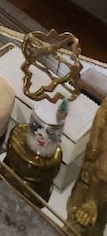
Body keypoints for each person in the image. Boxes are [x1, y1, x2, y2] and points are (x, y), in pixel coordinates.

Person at [67, 98, 107, 235]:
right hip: (91, 177)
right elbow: (102, 113)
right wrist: (93, 150)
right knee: (78, 218)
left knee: (96, 223)